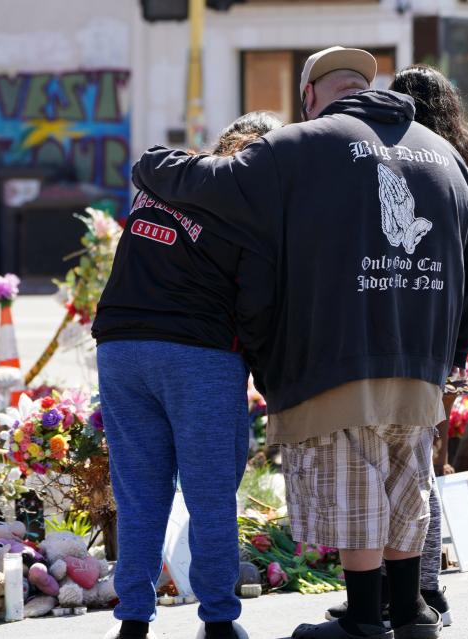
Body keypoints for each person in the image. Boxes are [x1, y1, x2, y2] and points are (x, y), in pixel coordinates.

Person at [133, 46, 468, 639]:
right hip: (421, 360)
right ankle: (408, 612)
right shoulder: (445, 156)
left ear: (310, 96)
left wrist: (151, 162)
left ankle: (361, 621)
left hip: (335, 354)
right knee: (406, 485)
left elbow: (207, 182)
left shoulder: (304, 144)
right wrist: (454, 348)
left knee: (354, 486)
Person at [92, 111, 283, 639]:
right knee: (209, 493)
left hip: (122, 349)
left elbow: (145, 161)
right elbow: (258, 308)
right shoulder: (255, 211)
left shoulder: (166, 178)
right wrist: (269, 377)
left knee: (138, 491)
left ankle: (133, 618)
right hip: (199, 355)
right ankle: (219, 620)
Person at [324, 63, 468, 630]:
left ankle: (409, 597)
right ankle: (418, 595)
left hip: (391, 343)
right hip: (433, 347)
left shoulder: (398, 160)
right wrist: (457, 352)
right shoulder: (456, 167)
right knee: (419, 469)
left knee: (389, 475)